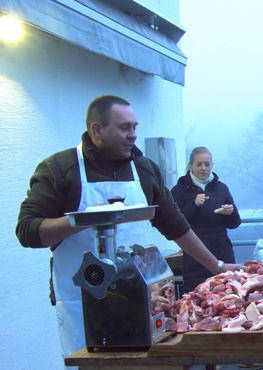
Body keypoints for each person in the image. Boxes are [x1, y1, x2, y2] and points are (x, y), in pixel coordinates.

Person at [15, 95, 241, 364]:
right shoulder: (61, 170)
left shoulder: (145, 170)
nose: (133, 135)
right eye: (124, 128)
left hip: (141, 301)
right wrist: (81, 220)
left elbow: (176, 225)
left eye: (135, 127)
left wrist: (216, 266)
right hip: (84, 302)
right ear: (97, 130)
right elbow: (27, 231)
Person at [171, 147, 242, 291]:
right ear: (190, 165)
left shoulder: (221, 188)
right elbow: (175, 223)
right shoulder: (179, 190)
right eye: (199, 164)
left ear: (212, 165)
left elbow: (234, 224)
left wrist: (231, 212)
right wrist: (193, 205)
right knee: (198, 301)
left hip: (223, 253)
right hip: (195, 258)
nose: (203, 168)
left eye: (207, 164)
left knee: (227, 300)